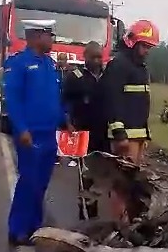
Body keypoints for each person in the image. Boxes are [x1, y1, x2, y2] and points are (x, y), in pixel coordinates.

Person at [4, 19, 73, 246]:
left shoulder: (49, 64)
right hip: (30, 134)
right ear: (35, 36)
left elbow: (54, 98)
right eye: (49, 35)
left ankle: (34, 225)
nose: (52, 40)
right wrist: (21, 128)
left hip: (48, 132)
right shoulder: (19, 63)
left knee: (41, 182)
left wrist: (65, 121)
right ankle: (18, 229)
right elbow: (13, 99)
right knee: (29, 181)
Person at [103, 19, 159, 166]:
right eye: (144, 46)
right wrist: (119, 135)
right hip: (125, 137)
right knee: (122, 181)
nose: (147, 51)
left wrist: (144, 136)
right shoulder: (118, 65)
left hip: (137, 135)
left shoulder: (140, 67)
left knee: (132, 181)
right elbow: (113, 101)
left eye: (149, 47)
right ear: (132, 42)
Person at [62, 41, 107, 219]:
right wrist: (68, 124)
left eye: (99, 57)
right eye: (93, 57)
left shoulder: (107, 76)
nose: (97, 61)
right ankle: (86, 215)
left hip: (103, 133)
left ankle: (96, 209)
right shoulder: (75, 77)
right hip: (82, 132)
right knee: (85, 176)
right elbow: (65, 103)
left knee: (103, 176)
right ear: (85, 57)